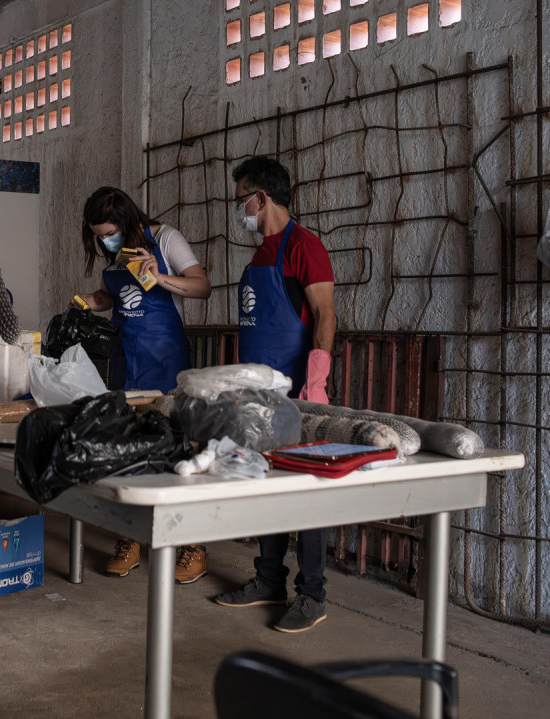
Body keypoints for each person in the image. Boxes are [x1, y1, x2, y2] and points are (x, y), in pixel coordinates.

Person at [212, 157, 337, 633]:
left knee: (307, 497)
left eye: (241, 196)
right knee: (266, 487)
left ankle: (313, 594)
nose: (239, 207)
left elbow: (324, 314)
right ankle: (269, 580)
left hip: (300, 395)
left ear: (261, 198)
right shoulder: (261, 256)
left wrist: (316, 382)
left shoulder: (304, 247)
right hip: (259, 398)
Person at [71, 186, 213, 584]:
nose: (104, 240)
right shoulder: (114, 253)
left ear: (129, 221)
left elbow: (201, 287)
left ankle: (192, 544)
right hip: (126, 360)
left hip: (165, 361)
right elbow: (114, 296)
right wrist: (91, 301)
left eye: (109, 232)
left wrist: (159, 276)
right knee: (125, 449)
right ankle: (129, 539)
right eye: (98, 234)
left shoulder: (165, 239)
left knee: (176, 449)